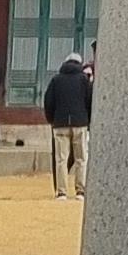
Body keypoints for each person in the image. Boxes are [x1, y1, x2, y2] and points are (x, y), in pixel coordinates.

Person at [42, 41, 92, 196]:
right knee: (81, 158)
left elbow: (49, 102)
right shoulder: (84, 80)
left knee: (61, 159)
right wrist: (88, 120)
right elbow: (89, 101)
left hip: (60, 123)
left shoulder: (56, 80)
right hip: (80, 122)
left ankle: (61, 192)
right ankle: (80, 190)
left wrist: (52, 119)